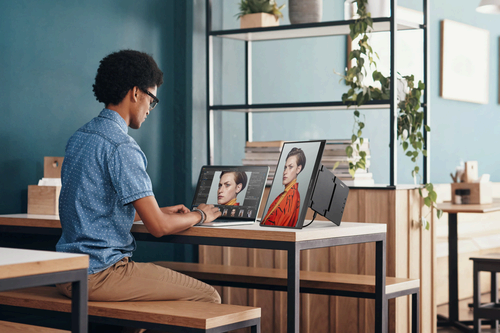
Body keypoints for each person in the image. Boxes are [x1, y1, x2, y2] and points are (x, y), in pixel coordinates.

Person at [55, 50, 222, 311]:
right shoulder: (122, 146)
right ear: (136, 93)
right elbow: (159, 228)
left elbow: (93, 212)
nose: (150, 109)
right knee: (209, 297)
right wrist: (200, 215)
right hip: (101, 273)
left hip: (65, 272)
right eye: (152, 99)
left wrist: (158, 211)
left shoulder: (80, 137)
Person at [261, 147, 306, 227]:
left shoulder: (292, 197)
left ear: (298, 169)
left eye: (290, 167)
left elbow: (279, 231)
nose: (285, 172)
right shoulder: (283, 195)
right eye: (285, 167)